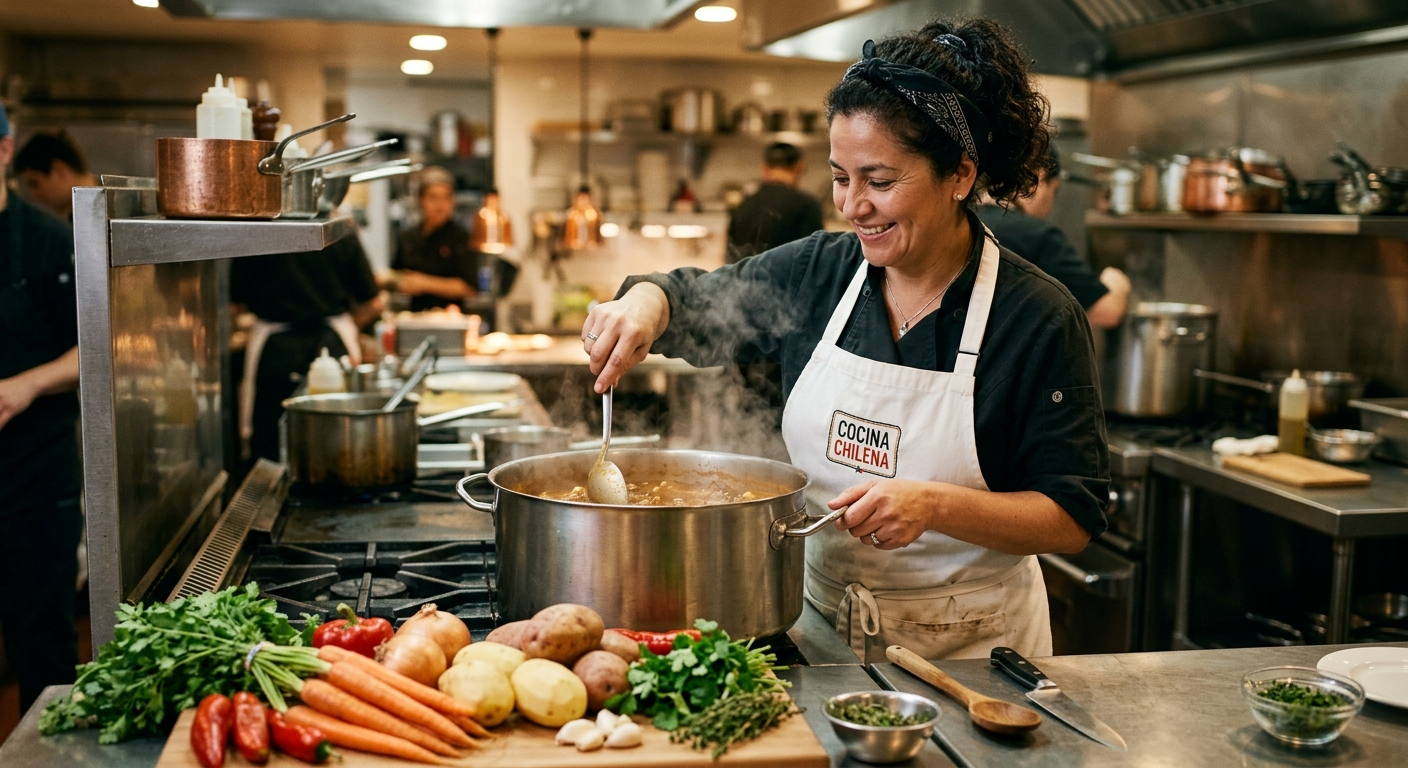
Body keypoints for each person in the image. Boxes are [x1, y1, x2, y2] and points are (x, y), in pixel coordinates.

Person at [583, 19, 1109, 663]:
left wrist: (935, 505)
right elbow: (692, 300)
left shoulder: (1034, 316)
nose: (852, 205)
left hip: (976, 652)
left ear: (961, 176)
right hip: (816, 629)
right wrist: (644, 303)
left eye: (880, 181)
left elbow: (1072, 516)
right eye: (840, 177)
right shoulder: (820, 273)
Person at [0, 105, 85, 710]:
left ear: (5, 152)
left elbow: (97, 348)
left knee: (41, 640)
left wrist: (22, 386)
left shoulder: (49, 241)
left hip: (35, 474)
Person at [232, 236, 383, 462]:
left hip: (275, 352)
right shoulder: (339, 233)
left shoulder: (255, 233)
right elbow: (373, 302)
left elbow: (237, 303)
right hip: (332, 346)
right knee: (338, 445)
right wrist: (351, 325)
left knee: (271, 447)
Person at [978, 146, 1130, 328]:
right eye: (1054, 190)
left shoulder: (961, 220)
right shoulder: (1034, 235)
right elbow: (1107, 311)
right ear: (1038, 176)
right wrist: (1116, 282)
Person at [388, 166, 483, 311]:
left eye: (446, 198)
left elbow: (469, 287)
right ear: (420, 200)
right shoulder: (408, 237)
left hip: (452, 316)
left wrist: (425, 283)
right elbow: (397, 275)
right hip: (414, 315)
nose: (440, 205)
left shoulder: (460, 237)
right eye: (433, 197)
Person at [726, 143, 824, 263]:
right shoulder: (808, 205)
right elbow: (814, 258)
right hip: (787, 281)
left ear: (764, 168)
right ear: (799, 167)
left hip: (741, 280)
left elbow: (729, 260)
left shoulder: (743, 204)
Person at [13, 131, 98, 221]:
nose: (34, 196)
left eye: (35, 183)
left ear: (59, 170)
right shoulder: (74, 219)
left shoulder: (107, 212)